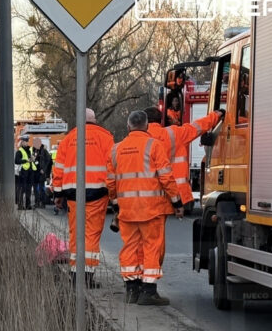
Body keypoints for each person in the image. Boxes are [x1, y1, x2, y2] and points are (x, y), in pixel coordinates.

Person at [110, 110, 182, 305]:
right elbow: (166, 177)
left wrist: (116, 205)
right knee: (152, 248)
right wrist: (177, 202)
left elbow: (110, 182)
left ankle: (131, 290)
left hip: (127, 209)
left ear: (128, 127)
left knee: (129, 248)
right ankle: (148, 292)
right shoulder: (154, 146)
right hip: (152, 209)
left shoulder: (116, 149)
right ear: (147, 126)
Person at [52, 108, 115, 288]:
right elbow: (112, 168)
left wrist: (58, 194)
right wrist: (114, 193)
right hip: (97, 193)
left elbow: (59, 169)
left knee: (76, 233)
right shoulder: (105, 137)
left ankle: (74, 273)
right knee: (91, 234)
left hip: (72, 194)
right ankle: (86, 276)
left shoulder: (68, 139)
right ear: (94, 120)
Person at [145, 105, 224, 210]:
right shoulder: (174, 133)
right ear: (161, 120)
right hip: (175, 194)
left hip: (146, 195)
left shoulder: (137, 140)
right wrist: (216, 115)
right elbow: (198, 127)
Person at [15, 135, 36, 210]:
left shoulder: (30, 150)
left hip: (30, 172)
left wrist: (33, 158)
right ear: (22, 142)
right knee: (22, 189)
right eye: (25, 141)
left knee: (28, 190)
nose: (26, 143)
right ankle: (20, 206)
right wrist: (26, 160)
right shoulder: (19, 151)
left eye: (27, 141)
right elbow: (16, 161)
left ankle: (28, 205)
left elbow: (32, 158)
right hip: (23, 173)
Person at [34, 137, 52, 207]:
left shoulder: (44, 151)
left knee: (41, 188)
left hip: (41, 173)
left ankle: (42, 202)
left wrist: (44, 170)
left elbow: (49, 161)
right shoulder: (35, 151)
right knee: (36, 188)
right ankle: (37, 202)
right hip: (36, 173)